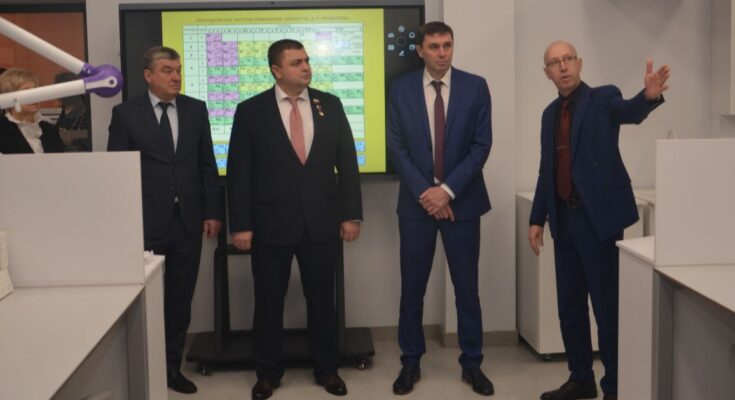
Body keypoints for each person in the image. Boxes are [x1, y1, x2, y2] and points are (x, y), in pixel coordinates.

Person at [528, 41, 669, 400]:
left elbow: (629, 111)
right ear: (546, 73)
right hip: (564, 220)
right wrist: (537, 218)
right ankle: (581, 379)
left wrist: (648, 97)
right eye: (555, 63)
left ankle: (616, 386)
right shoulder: (548, 115)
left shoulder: (603, 98)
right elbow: (547, 169)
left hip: (598, 222)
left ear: (580, 63)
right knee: (570, 307)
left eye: (568, 59)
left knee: (607, 309)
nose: (563, 67)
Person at [227, 39, 362, 400]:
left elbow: (347, 163)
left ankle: (327, 370)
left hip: (321, 221)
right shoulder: (251, 111)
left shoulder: (329, 105)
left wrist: (351, 215)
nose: (305, 67)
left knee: (322, 300)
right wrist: (240, 225)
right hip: (270, 223)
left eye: (306, 60)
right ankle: (267, 374)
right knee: (268, 301)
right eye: (296, 62)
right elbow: (239, 172)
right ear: (276, 70)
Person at [107, 46, 223, 394]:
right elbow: (118, 171)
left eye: (179, 70)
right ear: (148, 76)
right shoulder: (126, 114)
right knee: (146, 300)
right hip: (145, 221)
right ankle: (145, 368)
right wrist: (123, 221)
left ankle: (171, 367)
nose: (176, 77)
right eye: (167, 71)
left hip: (188, 220)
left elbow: (207, 164)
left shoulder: (195, 109)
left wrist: (213, 211)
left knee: (179, 299)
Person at [387, 21, 494, 396]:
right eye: (433, 46)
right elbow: (396, 147)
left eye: (447, 45)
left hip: (463, 203)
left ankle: (472, 364)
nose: (442, 52)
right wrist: (428, 194)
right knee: (412, 290)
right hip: (416, 207)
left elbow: (481, 146)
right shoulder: (400, 89)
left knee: (467, 290)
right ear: (420, 51)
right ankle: (410, 362)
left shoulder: (475, 86)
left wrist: (446, 191)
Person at [0, 68, 65, 154]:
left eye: (35, 91)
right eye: (26, 91)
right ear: (9, 97)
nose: (34, 96)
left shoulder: (50, 130)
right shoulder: (2, 130)